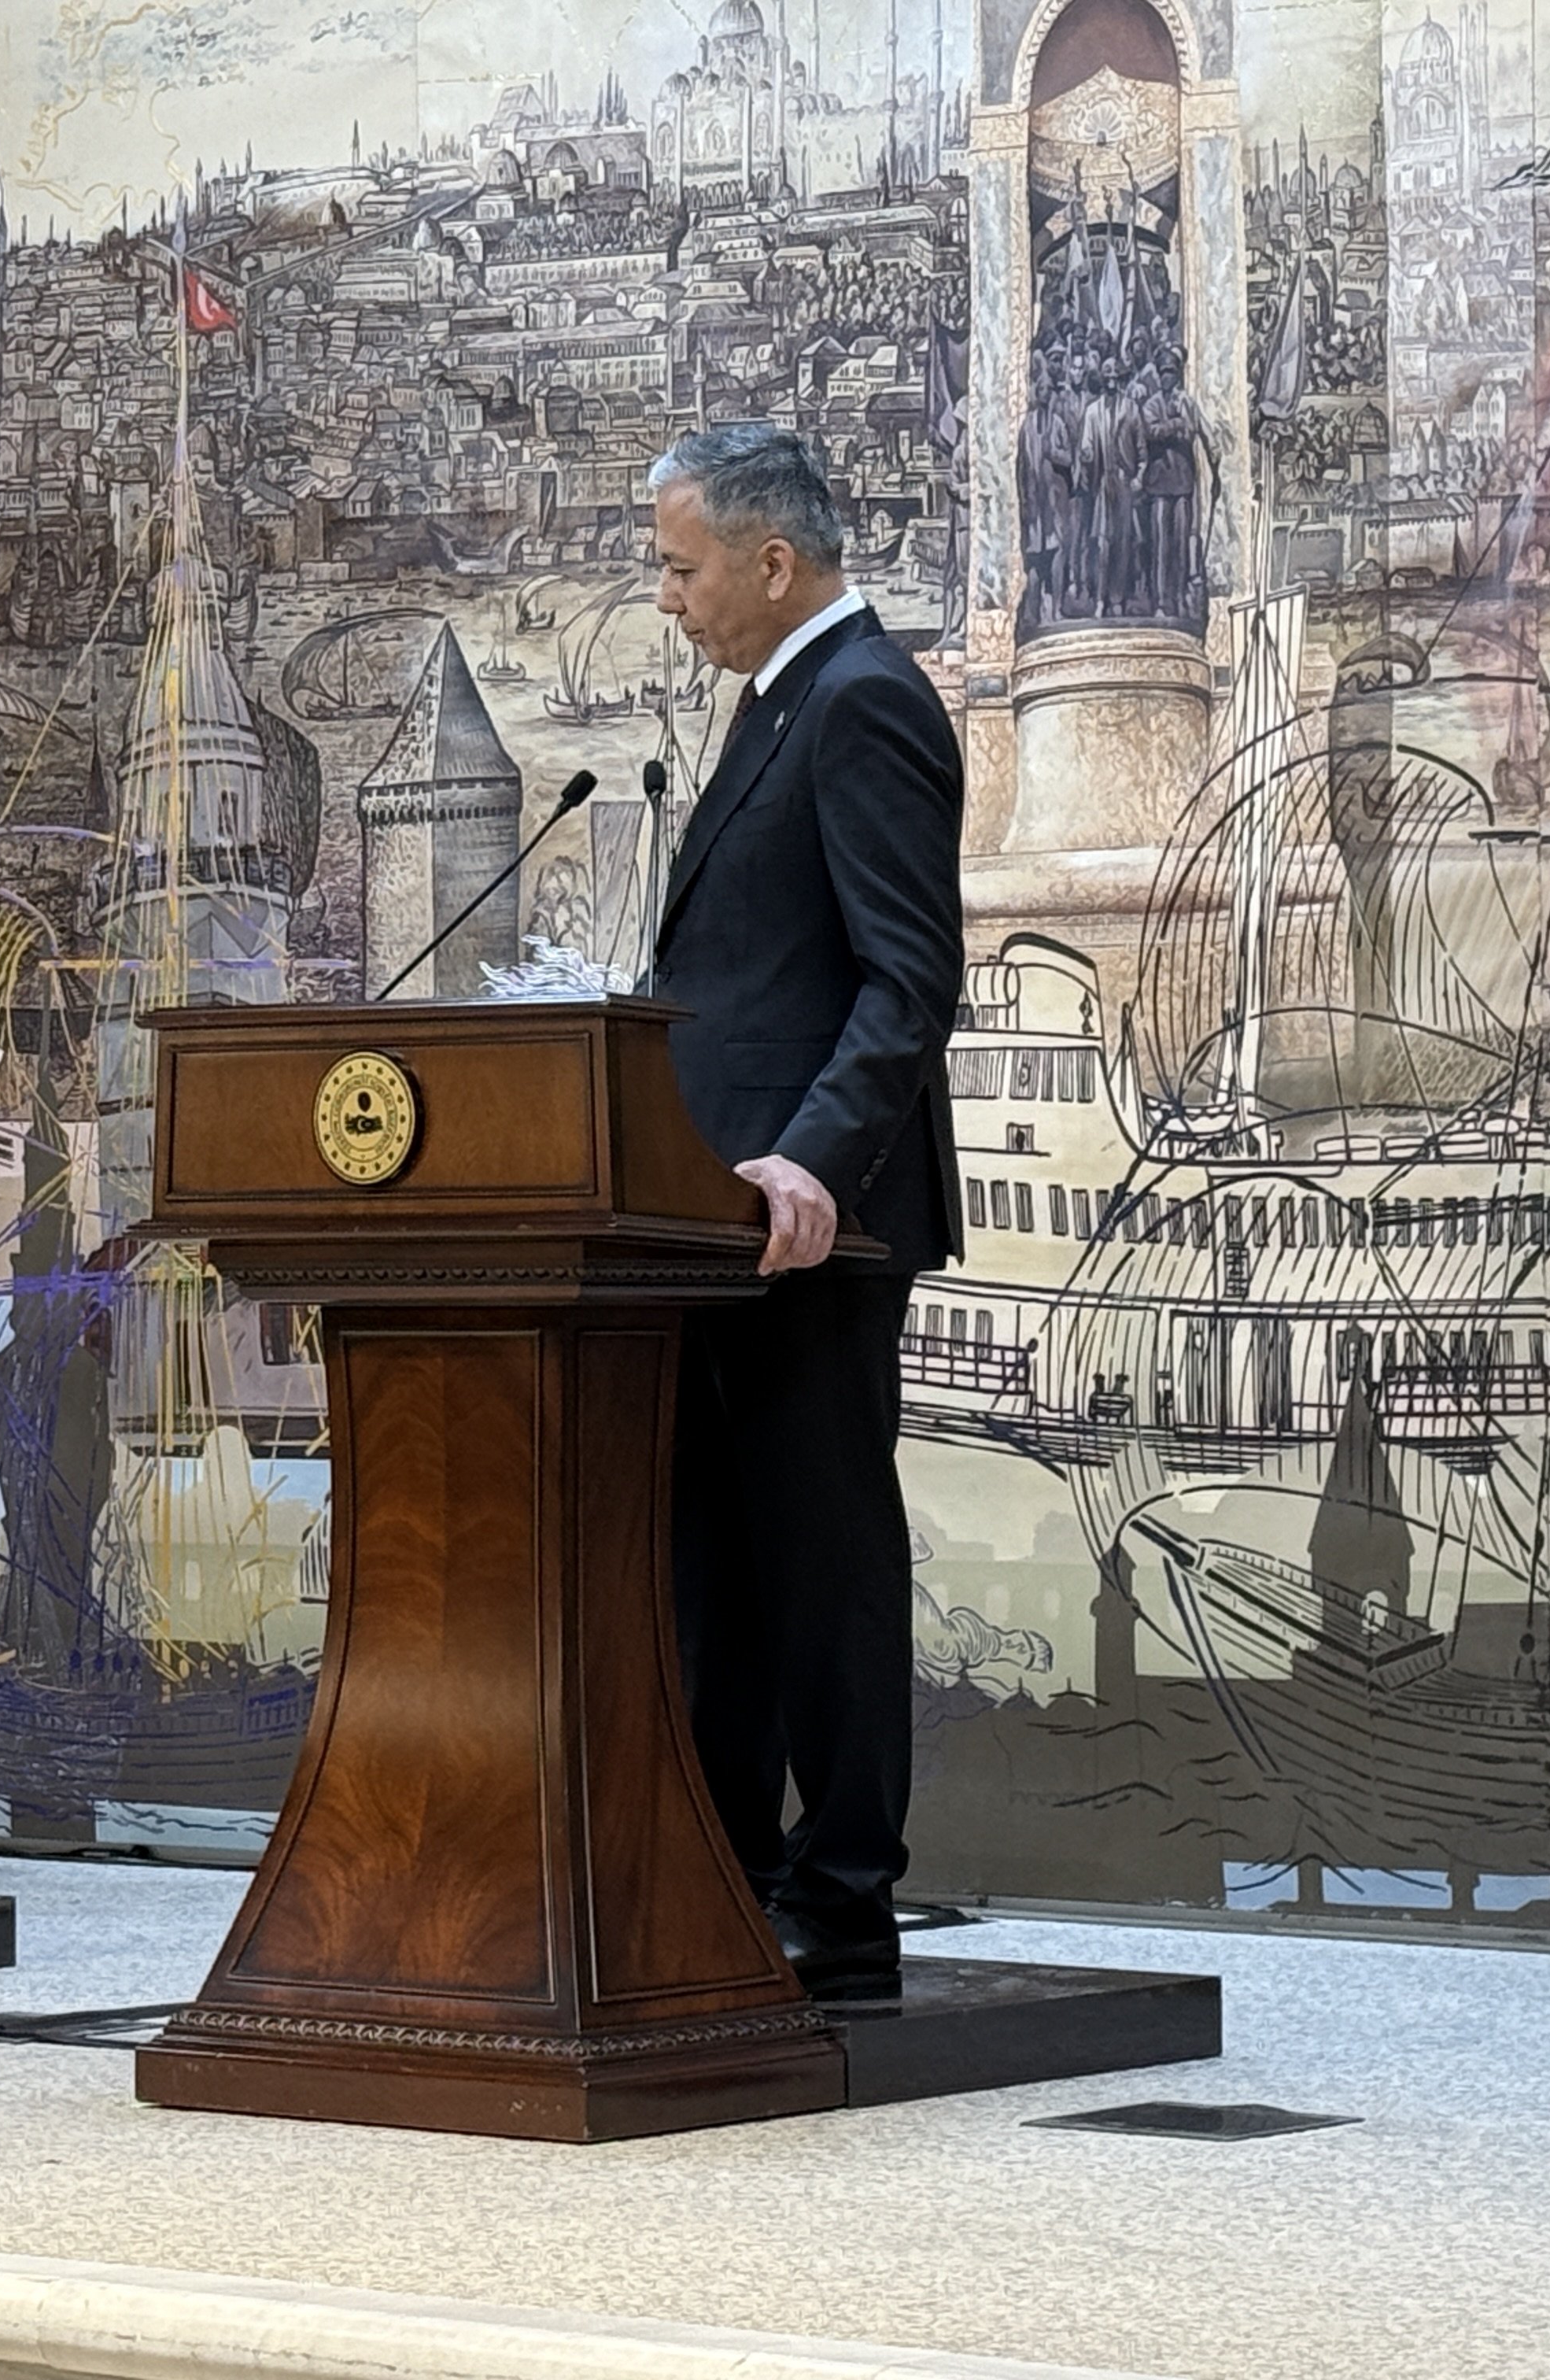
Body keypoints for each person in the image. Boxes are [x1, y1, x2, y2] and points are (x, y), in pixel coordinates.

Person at [645, 424, 965, 2001]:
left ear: (774, 564)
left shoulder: (865, 705)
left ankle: (840, 1904)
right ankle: (733, 1876)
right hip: (718, 1226)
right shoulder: (780, 706)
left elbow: (910, 982)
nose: (667, 599)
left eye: (680, 566)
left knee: (820, 1558)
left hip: (808, 1221)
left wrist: (816, 1163)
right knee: (729, 1566)